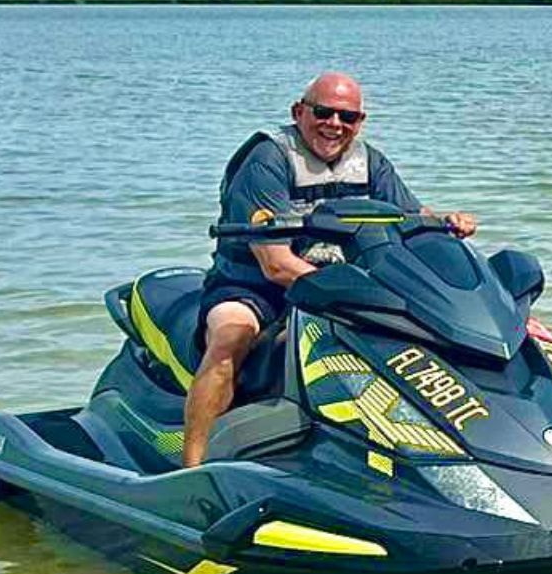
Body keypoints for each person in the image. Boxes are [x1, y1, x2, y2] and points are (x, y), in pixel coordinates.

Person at [185, 72, 477, 467]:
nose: (335, 125)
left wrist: (446, 223)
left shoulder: (369, 162)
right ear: (299, 111)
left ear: (360, 122)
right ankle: (193, 467)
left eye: (348, 117)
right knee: (231, 339)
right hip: (253, 286)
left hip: (338, 285)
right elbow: (276, 264)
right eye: (323, 112)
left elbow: (410, 218)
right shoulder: (268, 159)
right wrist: (351, 295)